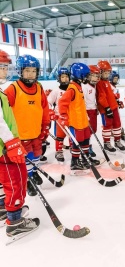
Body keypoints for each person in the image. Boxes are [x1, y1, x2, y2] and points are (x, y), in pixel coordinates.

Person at [0, 50, 39, 241]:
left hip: (5, 145)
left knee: (5, 181)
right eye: (1, 67)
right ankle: (14, 222)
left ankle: (3, 208)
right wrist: (11, 141)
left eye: (6, 67)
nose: (4, 72)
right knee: (15, 181)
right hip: (5, 147)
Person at [5, 55, 50, 197]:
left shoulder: (39, 87)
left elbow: (44, 107)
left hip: (36, 131)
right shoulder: (13, 89)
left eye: (33, 71)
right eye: (27, 71)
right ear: (20, 71)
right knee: (27, 158)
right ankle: (27, 179)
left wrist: (45, 126)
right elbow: (5, 112)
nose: (31, 74)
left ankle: (34, 172)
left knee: (37, 155)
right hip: (21, 134)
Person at [58, 63, 101, 175]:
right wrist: (63, 116)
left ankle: (86, 158)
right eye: (86, 75)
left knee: (86, 139)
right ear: (79, 75)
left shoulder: (79, 87)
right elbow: (62, 102)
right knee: (78, 142)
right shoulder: (72, 88)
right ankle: (75, 161)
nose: (87, 77)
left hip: (83, 121)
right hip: (76, 122)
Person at [96, 61, 125, 153]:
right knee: (107, 126)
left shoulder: (107, 82)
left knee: (117, 124)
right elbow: (101, 97)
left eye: (108, 72)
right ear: (100, 72)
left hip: (113, 107)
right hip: (106, 109)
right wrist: (107, 108)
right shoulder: (99, 83)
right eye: (105, 72)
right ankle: (107, 143)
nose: (107, 74)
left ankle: (117, 141)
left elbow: (111, 94)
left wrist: (117, 100)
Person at [47, 66, 70, 163]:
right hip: (59, 117)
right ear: (59, 78)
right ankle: (59, 151)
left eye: (67, 76)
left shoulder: (72, 89)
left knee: (72, 135)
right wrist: (50, 111)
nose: (65, 79)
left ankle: (74, 149)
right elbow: (48, 102)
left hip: (71, 117)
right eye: (63, 77)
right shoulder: (56, 91)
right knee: (59, 136)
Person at [82, 65, 101, 157]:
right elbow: (82, 101)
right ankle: (86, 146)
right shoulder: (84, 86)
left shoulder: (95, 86)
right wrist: (85, 113)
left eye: (97, 75)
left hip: (93, 110)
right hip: (87, 111)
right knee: (87, 131)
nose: (97, 77)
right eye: (94, 75)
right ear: (88, 75)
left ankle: (87, 145)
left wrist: (96, 107)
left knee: (93, 129)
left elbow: (93, 98)